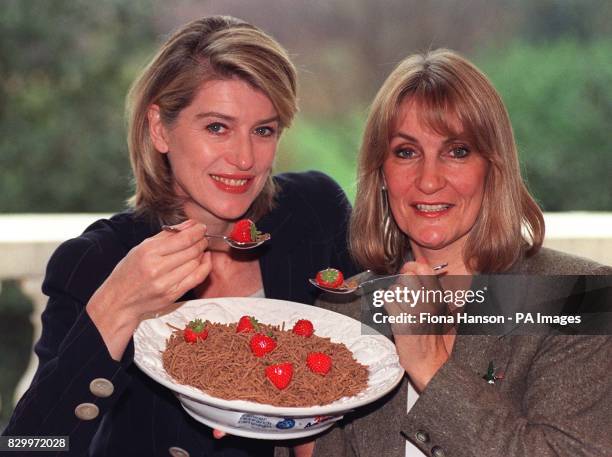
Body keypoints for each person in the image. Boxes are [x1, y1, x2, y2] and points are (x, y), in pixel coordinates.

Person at [3, 16, 356, 457]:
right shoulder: (99, 259)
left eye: (263, 130)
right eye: (217, 127)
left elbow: (384, 349)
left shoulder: (313, 211)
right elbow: (26, 447)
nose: (244, 158)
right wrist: (116, 307)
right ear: (159, 128)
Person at [309, 49, 612, 457]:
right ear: (380, 173)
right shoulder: (346, 307)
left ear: (493, 167)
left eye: (457, 151)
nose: (429, 181)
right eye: (406, 152)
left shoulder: (573, 296)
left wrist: (432, 367)